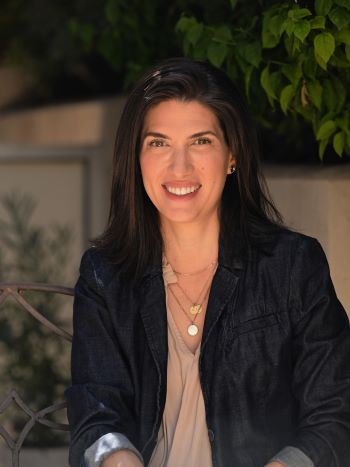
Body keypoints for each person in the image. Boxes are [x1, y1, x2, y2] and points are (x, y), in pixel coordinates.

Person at [65, 57, 350, 467]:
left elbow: (334, 414)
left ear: (232, 154)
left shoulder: (292, 267)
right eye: (158, 143)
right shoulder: (104, 275)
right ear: (136, 158)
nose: (179, 167)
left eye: (201, 141)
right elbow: (96, 413)